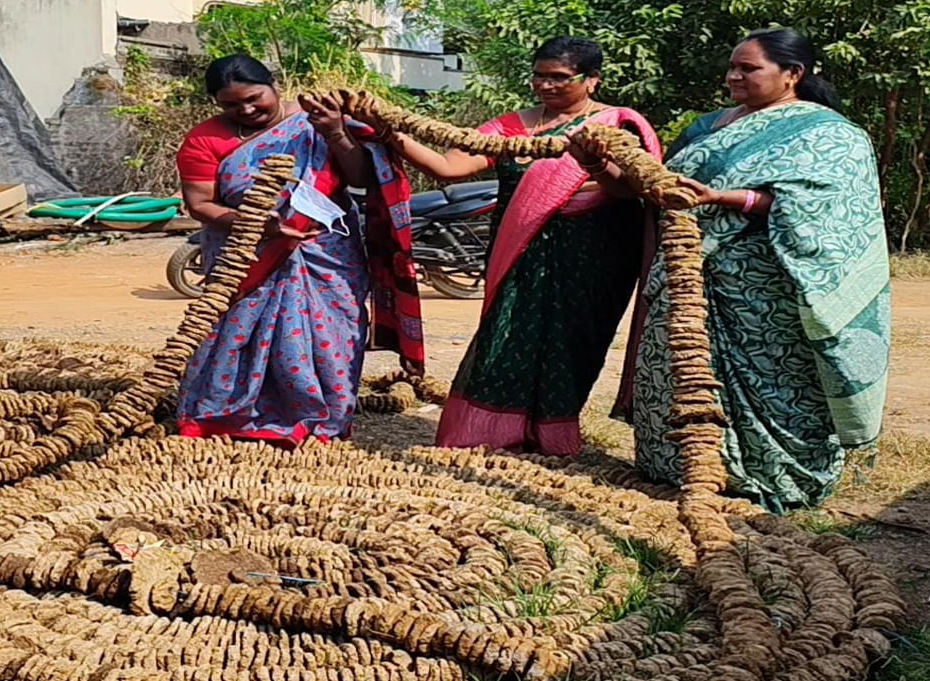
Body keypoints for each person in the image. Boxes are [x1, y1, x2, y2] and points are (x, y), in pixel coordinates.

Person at [589, 28, 890, 512]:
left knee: (772, 376)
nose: (733, 76)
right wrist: (603, 169)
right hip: (687, 273)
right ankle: (680, 463)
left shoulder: (828, 134)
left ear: (792, 74)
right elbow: (657, 191)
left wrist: (724, 198)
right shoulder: (708, 127)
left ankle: (774, 473)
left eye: (747, 68)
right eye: (732, 66)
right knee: (682, 365)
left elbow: (824, 209)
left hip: (764, 283)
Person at [357, 37, 660, 456]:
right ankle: (490, 433)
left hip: (594, 256)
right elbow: (449, 167)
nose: (546, 86)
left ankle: (551, 435)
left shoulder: (616, 125)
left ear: (592, 81)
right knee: (505, 337)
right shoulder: (511, 127)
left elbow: (630, 191)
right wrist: (391, 133)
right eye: (539, 76)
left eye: (559, 78)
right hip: (520, 250)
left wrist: (592, 163)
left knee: (574, 344)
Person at [174, 54, 423, 446]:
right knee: (240, 332)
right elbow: (200, 204)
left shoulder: (317, 117)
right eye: (231, 105)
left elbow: (360, 178)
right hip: (248, 253)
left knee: (333, 330)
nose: (247, 109)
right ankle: (235, 414)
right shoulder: (205, 139)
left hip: (326, 249)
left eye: (255, 97)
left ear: (274, 85)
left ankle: (322, 418)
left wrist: (336, 133)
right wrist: (260, 225)